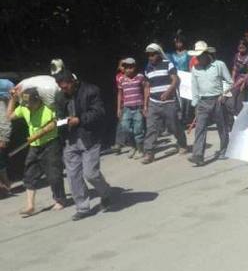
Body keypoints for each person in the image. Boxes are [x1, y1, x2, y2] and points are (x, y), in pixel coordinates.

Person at [54, 69, 112, 221]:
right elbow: (59, 114)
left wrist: (80, 119)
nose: (63, 90)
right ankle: (82, 207)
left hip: (90, 138)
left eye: (65, 87)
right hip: (70, 140)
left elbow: (98, 112)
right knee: (73, 176)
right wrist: (59, 123)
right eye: (61, 87)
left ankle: (105, 193)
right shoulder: (60, 96)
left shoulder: (90, 91)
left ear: (72, 82)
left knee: (91, 174)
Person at [7, 87, 67, 216]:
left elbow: (61, 121)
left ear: (37, 100)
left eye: (30, 104)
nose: (27, 107)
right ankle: (30, 205)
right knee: (29, 175)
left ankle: (60, 200)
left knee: (54, 173)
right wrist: (12, 99)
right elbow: (9, 116)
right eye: (25, 104)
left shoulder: (48, 108)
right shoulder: (24, 108)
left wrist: (44, 130)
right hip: (34, 146)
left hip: (51, 144)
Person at [187, 41, 233, 166]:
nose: (198, 58)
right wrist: (195, 103)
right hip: (202, 102)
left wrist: (224, 95)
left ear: (207, 54)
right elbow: (194, 87)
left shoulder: (219, 65)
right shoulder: (195, 69)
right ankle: (198, 155)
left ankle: (224, 149)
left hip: (217, 100)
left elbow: (230, 82)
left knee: (222, 127)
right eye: (196, 56)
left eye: (200, 55)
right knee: (200, 128)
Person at [141, 43, 187, 164]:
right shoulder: (147, 68)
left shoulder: (168, 64)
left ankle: (182, 144)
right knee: (151, 127)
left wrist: (168, 92)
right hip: (153, 103)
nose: (150, 57)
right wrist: (145, 105)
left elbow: (175, 80)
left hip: (169, 102)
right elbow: (146, 87)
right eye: (148, 55)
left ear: (158, 54)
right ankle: (149, 153)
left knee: (173, 125)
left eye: (153, 54)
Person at [117, 58, 147, 159]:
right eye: (126, 67)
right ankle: (132, 146)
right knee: (125, 128)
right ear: (123, 68)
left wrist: (145, 105)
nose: (128, 70)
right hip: (127, 108)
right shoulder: (121, 79)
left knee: (138, 129)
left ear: (135, 67)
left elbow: (146, 88)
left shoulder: (140, 77)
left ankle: (140, 149)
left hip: (138, 107)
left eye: (131, 67)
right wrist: (119, 108)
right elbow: (120, 94)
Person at [167, 33, 192, 126]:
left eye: (180, 42)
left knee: (187, 98)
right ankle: (179, 118)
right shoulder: (171, 55)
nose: (178, 44)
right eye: (177, 42)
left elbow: (190, 65)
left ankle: (187, 117)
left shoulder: (188, 53)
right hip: (176, 77)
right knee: (177, 98)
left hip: (186, 77)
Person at [0, 79, 13, 195]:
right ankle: (4, 184)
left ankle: (5, 184)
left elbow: (5, 119)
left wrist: (4, 137)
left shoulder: (4, 84)